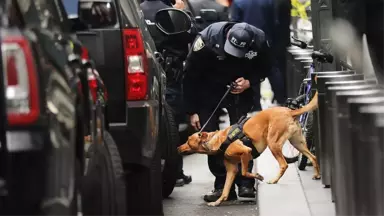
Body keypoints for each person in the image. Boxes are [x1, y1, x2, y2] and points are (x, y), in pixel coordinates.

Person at [183, 22, 272, 202]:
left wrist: (249, 81)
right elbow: (190, 75)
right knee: (209, 138)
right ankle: (222, 186)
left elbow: (267, 67)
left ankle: (246, 183)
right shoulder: (207, 40)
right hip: (209, 89)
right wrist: (192, 110)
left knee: (242, 136)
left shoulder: (259, 39)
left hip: (240, 89)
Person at [140, 0, 193, 187]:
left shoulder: (137, 10)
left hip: (145, 76)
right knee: (172, 127)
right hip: (169, 76)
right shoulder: (169, 12)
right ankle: (175, 172)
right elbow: (187, 39)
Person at [230, 0, 287, 105]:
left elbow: (234, 23)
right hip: (266, 40)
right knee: (272, 70)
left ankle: (255, 105)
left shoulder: (238, 2)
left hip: (246, 42)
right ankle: (281, 100)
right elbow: (274, 22)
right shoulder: (268, 1)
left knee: (250, 71)